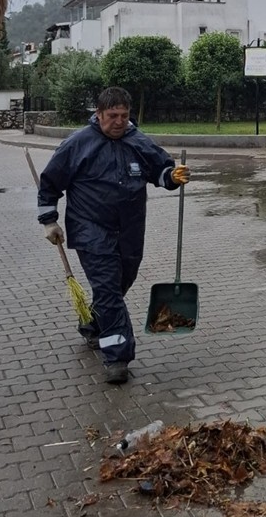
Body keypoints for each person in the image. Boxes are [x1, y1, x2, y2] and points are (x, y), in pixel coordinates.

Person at [36, 86, 190, 384]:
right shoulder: (78, 144)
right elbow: (50, 182)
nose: (119, 122)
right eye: (112, 116)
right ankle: (117, 356)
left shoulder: (138, 142)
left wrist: (172, 176)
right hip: (90, 230)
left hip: (131, 231)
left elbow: (161, 171)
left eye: (124, 115)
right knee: (108, 289)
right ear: (98, 114)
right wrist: (49, 221)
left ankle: (94, 324)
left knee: (120, 283)